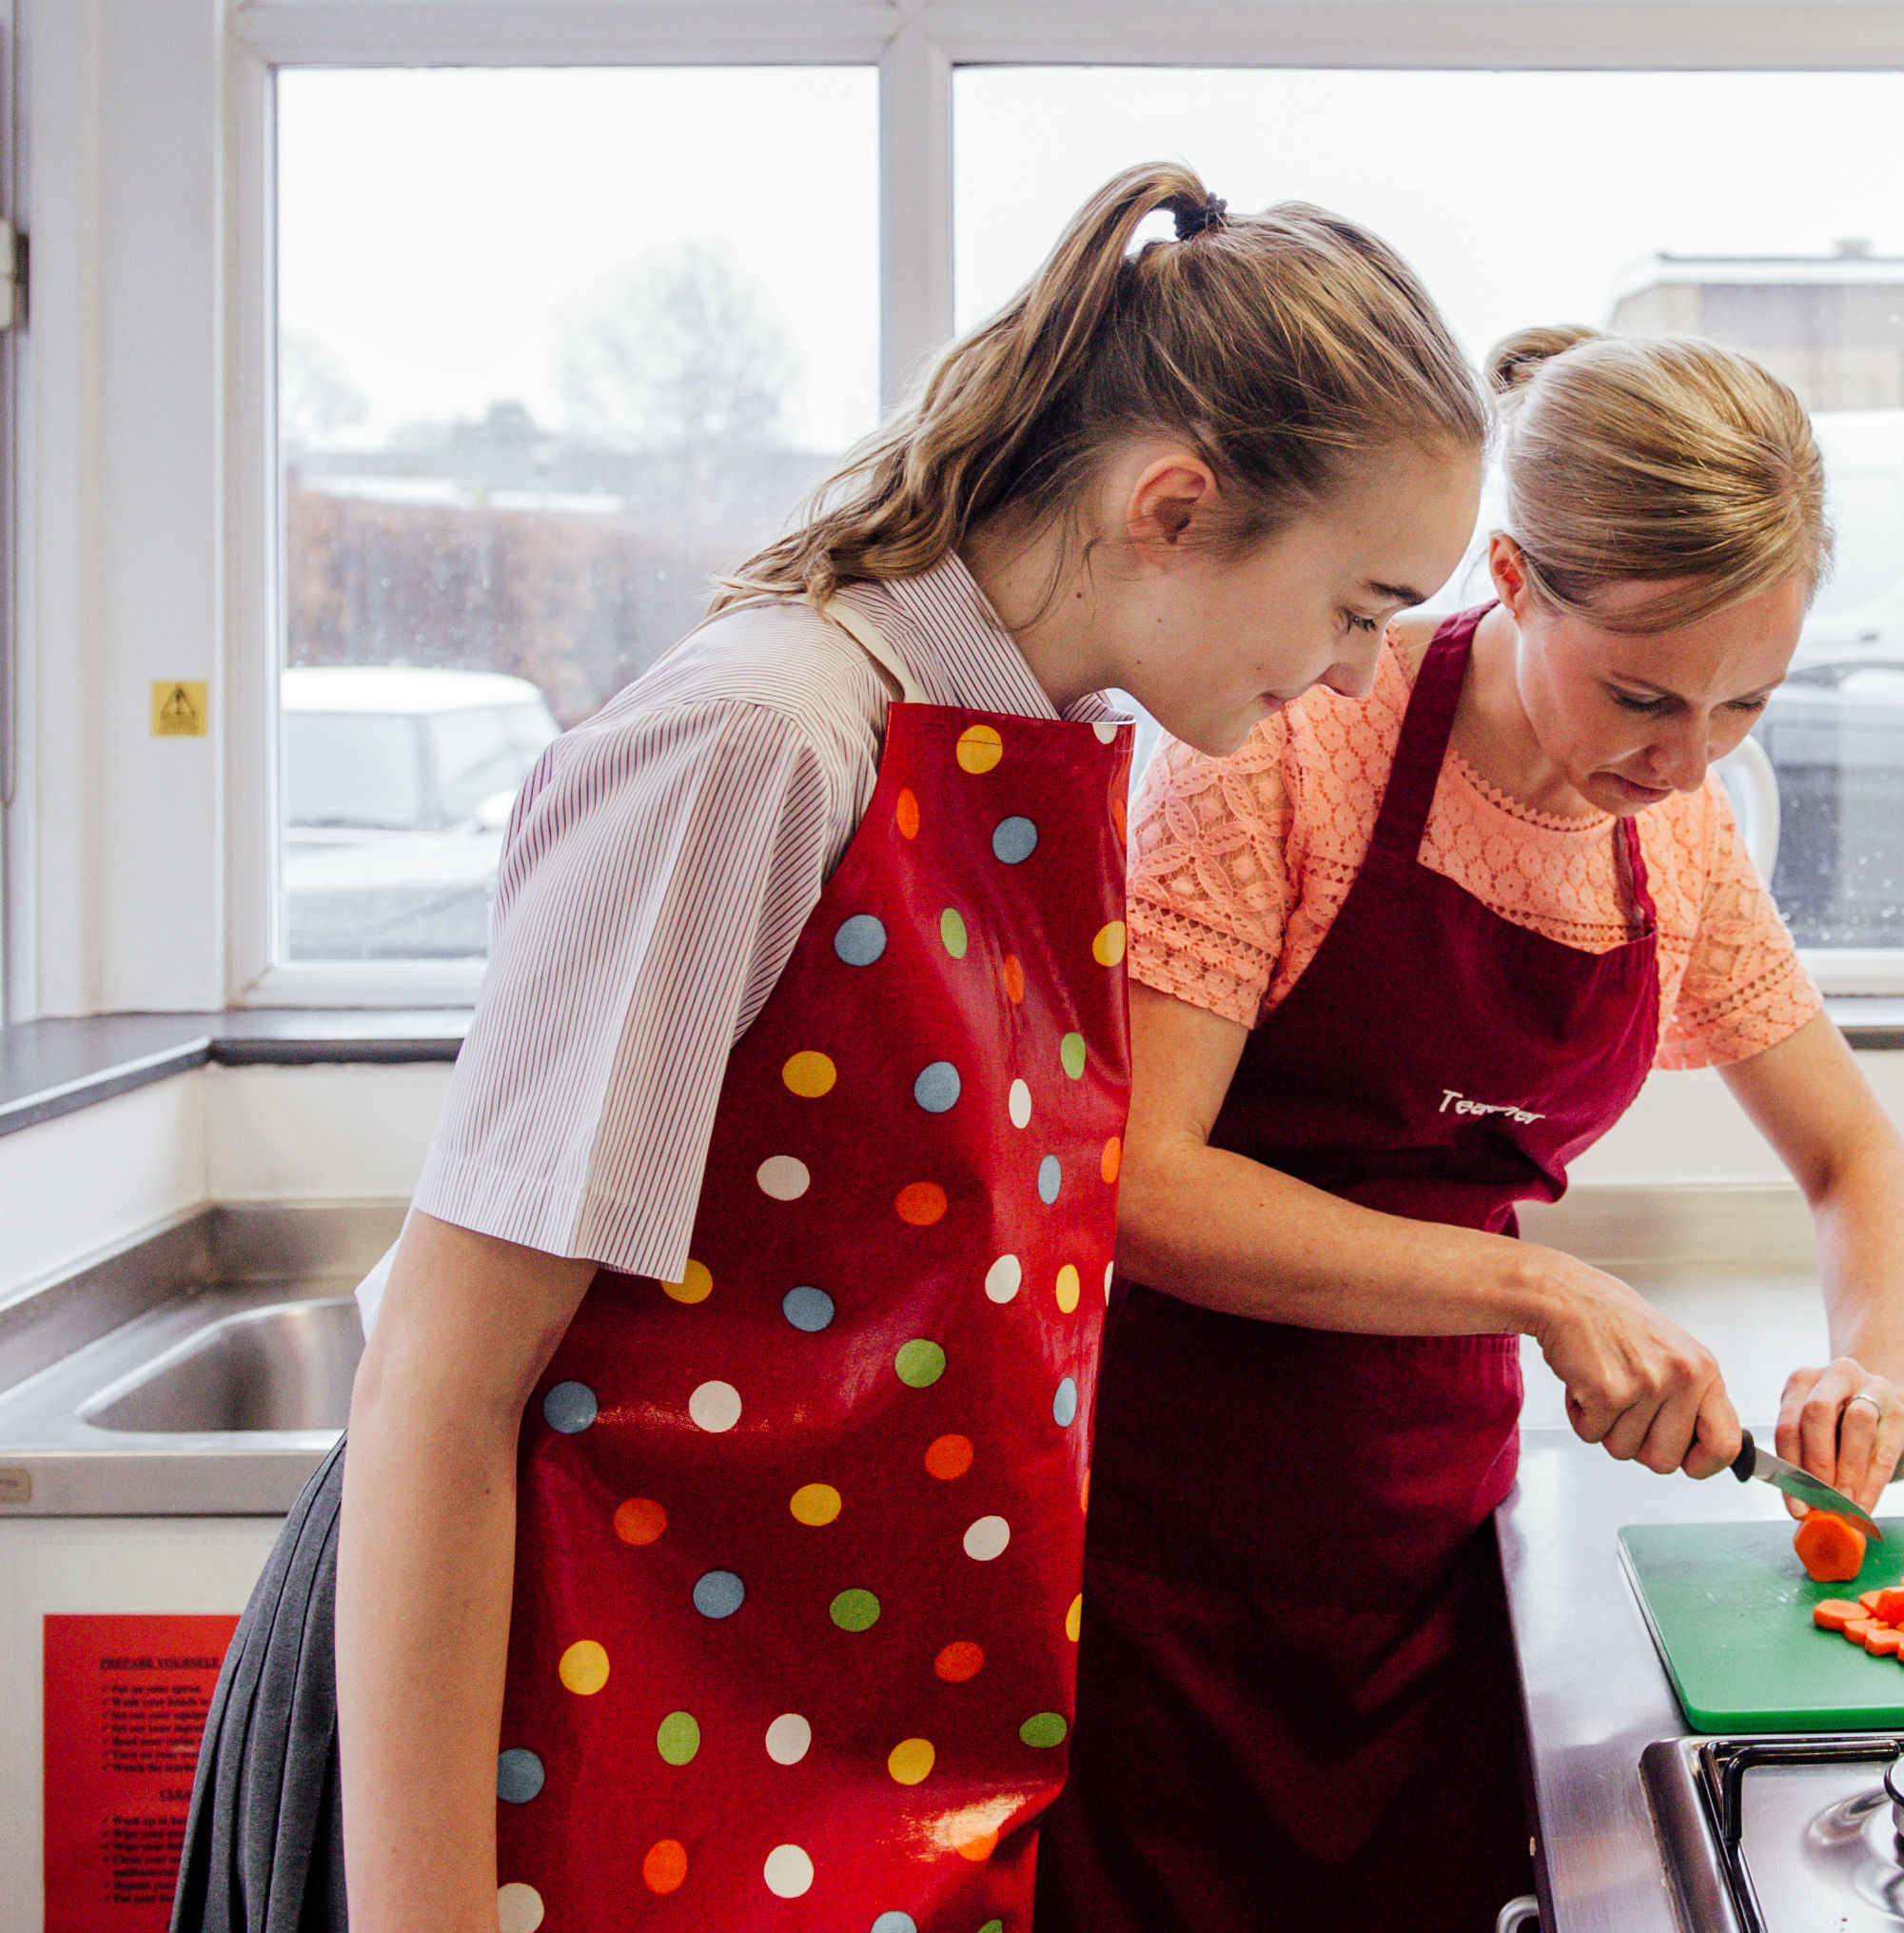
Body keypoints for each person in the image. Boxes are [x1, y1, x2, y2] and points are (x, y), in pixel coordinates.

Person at [169, 165, 1487, 1933]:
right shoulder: (770, 741)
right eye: (1358, 606)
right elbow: (440, 1382)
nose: (1356, 677)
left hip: (765, 1740)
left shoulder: (1012, 756)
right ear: (1174, 506)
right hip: (525, 1732)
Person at [1041, 325, 1904, 1932]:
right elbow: (1141, 1190)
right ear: (1514, 579)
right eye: (1643, 696)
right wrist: (1541, 1286)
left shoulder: (1677, 840)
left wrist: (1874, 1373)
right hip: (1164, 1538)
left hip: (1444, 1536)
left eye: (1746, 704)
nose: (1686, 762)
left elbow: (1853, 1162)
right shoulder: (1291, 737)